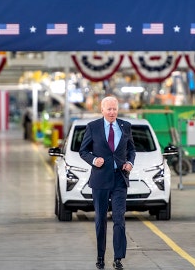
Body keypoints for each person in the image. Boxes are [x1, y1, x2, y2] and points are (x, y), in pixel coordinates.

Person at [79, 96, 136, 270]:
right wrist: (94, 159)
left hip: (120, 178)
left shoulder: (125, 126)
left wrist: (130, 163)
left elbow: (131, 149)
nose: (112, 112)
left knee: (119, 219)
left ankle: (118, 258)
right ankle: (100, 257)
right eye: (109, 109)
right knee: (100, 220)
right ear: (102, 110)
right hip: (100, 180)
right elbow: (83, 151)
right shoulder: (93, 127)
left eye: (115, 109)